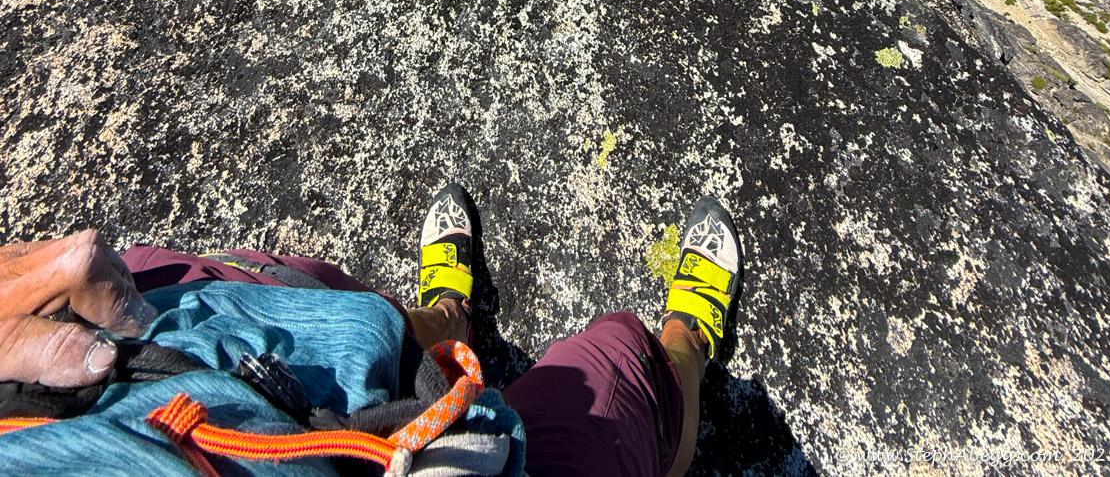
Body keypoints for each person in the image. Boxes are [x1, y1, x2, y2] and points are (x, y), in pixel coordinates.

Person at [0, 187, 742, 476]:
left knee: (285, 286)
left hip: (140, 366)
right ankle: (685, 344)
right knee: (613, 368)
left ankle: (447, 319)